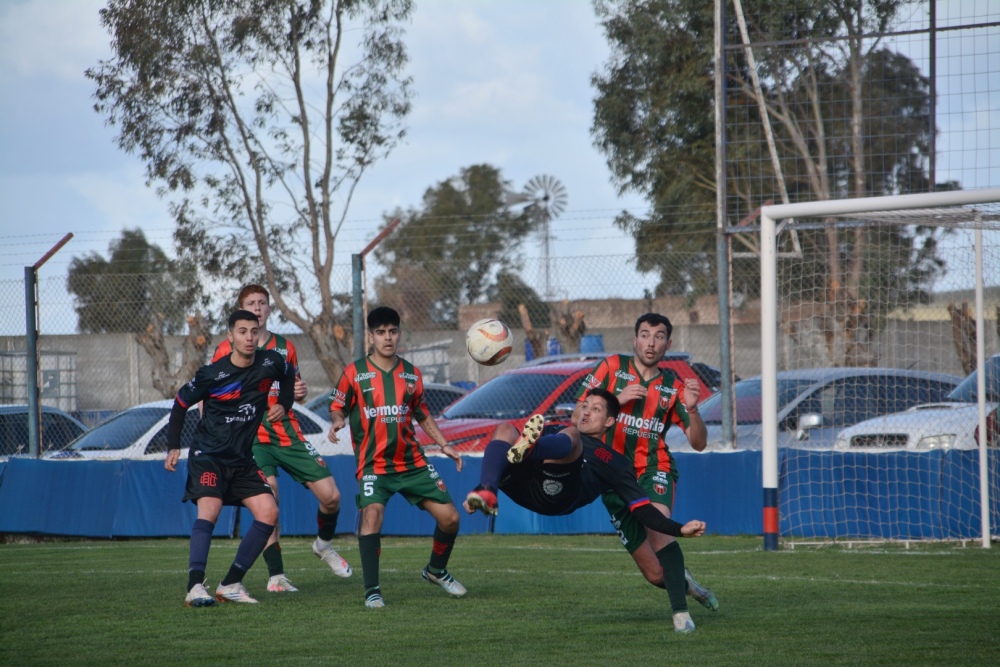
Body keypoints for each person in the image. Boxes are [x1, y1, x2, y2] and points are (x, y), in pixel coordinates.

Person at [573, 312, 717, 634]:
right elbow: (576, 417)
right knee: (655, 575)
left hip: (653, 469)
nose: (651, 342)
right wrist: (614, 401)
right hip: (611, 477)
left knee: (657, 526)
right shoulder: (610, 367)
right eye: (645, 334)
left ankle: (681, 616)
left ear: (668, 342)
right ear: (634, 338)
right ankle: (689, 586)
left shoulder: (673, 388)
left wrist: (692, 410)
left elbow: (699, 443)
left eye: (659, 336)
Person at [211, 284, 351, 593]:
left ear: (269, 309)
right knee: (269, 494)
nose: (258, 308)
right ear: (240, 310)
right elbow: (210, 393)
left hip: (288, 434)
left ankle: (323, 545)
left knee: (332, 496)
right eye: (251, 303)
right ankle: (276, 576)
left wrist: (298, 393)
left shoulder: (285, 347)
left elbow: (294, 390)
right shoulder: (224, 349)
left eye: (262, 303)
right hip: (252, 439)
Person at [327, 306, 465, 608]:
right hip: (374, 465)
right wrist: (338, 420)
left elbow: (422, 412)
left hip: (412, 462)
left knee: (451, 519)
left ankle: (436, 571)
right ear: (371, 337)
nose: (387, 338)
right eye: (380, 332)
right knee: (372, 516)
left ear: (398, 334)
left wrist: (443, 444)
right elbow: (337, 405)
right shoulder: (354, 373)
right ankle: (372, 590)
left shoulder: (411, 374)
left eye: (392, 331)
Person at [463, 388, 707, 552]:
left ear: (609, 422)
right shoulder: (555, 428)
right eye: (585, 405)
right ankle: (487, 490)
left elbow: (643, 509)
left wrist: (679, 528)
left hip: (556, 497)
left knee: (572, 436)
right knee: (505, 429)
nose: (587, 411)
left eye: (596, 409)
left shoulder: (615, 462)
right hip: (522, 483)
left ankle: (528, 450)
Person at [166, 309, 296, 607]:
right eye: (242, 331)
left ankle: (231, 583)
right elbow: (180, 403)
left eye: (253, 331)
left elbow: (288, 374)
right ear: (230, 336)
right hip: (209, 455)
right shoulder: (213, 373)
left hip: (242, 459)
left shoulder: (270, 362)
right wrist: (173, 445)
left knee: (269, 511)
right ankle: (195, 587)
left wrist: (284, 404)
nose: (249, 337)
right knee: (209, 509)